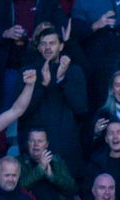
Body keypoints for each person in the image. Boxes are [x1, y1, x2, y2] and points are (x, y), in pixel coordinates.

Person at [20, 23, 87, 171]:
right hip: (36, 151)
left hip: (67, 148)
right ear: (38, 47)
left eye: (52, 43)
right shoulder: (28, 72)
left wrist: (61, 80)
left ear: (61, 46)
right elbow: (22, 112)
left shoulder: (74, 71)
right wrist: (43, 85)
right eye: (43, 44)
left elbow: (81, 108)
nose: (48, 48)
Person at [20, 128, 77, 200]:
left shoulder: (57, 161)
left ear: (46, 144)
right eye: (32, 141)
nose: (36, 144)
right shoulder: (19, 162)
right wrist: (40, 169)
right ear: (27, 143)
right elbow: (19, 188)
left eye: (40, 141)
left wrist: (52, 177)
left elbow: (71, 188)